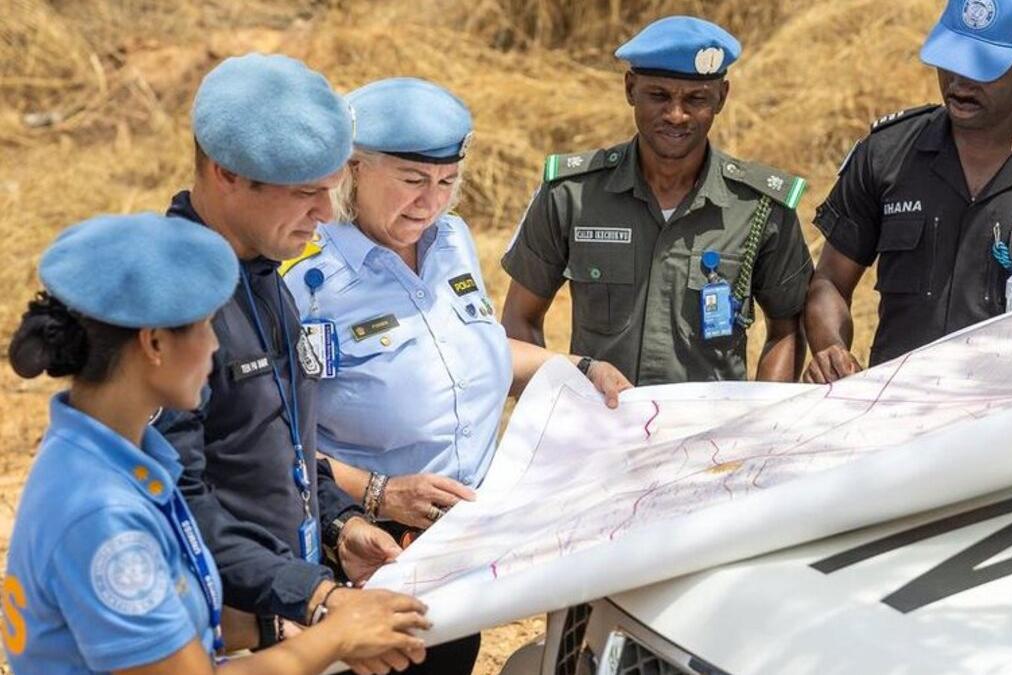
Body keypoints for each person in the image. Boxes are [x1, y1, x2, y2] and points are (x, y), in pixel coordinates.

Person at [282, 77, 632, 674]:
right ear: (353, 169)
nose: (431, 202)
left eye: (447, 182)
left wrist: (580, 368)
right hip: (361, 546)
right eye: (413, 180)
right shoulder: (302, 272)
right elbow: (273, 432)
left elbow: (476, 351)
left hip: (459, 543)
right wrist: (379, 492)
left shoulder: (451, 239)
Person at [2, 213, 429, 674]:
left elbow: (175, 609)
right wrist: (338, 635)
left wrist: (301, 617)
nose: (213, 346)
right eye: (206, 327)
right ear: (155, 344)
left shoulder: (112, 454)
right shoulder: (103, 514)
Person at [155, 53, 417, 670]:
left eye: (331, 189)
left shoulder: (263, 268)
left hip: (284, 609)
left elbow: (273, 442)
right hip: (215, 635)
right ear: (226, 173)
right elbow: (176, 500)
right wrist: (315, 597)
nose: (326, 214)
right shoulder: (172, 301)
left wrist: (339, 525)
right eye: (305, 194)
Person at [803, 0, 1012, 383]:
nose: (960, 81)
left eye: (985, 66)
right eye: (952, 58)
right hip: (897, 403)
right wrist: (831, 348)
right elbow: (830, 281)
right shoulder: (888, 154)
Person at [500, 15, 814, 386]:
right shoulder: (572, 194)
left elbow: (788, 329)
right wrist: (556, 405)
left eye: (696, 99)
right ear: (630, 89)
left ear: (722, 97)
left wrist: (760, 417)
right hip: (603, 418)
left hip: (711, 423)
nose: (676, 115)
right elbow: (520, 319)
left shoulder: (760, 207)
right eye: (659, 96)